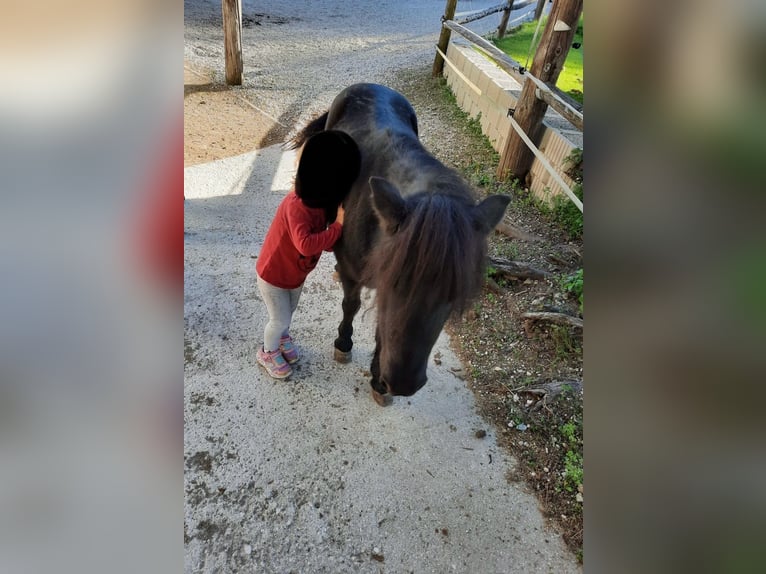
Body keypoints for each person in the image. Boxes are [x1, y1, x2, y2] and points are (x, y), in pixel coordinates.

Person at [255, 130, 361, 379]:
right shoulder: (296, 206)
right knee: (278, 319)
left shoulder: (320, 206)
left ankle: (282, 340)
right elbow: (305, 244)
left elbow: (322, 242)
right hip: (273, 275)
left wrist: (333, 230)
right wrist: (338, 227)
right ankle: (267, 352)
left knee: (287, 315)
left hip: (294, 274)